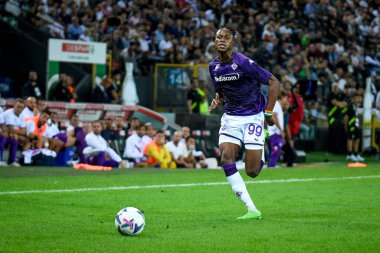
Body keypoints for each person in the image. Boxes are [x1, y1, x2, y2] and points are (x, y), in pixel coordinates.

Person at [208, 27, 279, 220]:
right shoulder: (213, 67)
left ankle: (262, 138)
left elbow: (274, 82)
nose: (221, 40)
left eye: (226, 38)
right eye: (218, 37)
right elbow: (222, 94)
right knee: (225, 158)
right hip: (231, 118)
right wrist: (218, 100)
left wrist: (268, 113)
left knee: (252, 171)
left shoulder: (244, 63)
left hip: (253, 117)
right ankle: (251, 209)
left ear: (233, 42)